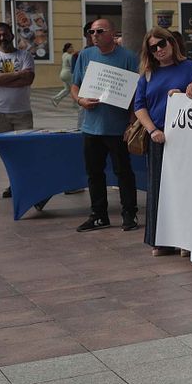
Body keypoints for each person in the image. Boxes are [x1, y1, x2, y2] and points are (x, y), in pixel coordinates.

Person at [70, 18, 141, 232]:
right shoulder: (85, 56)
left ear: (112, 33)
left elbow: (136, 92)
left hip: (117, 127)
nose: (95, 35)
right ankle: (99, 215)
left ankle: (129, 213)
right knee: (94, 173)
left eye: (100, 31)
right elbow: (75, 85)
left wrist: (131, 123)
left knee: (123, 172)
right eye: (92, 32)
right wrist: (81, 101)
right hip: (91, 127)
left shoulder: (128, 57)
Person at [132, 27, 192, 257]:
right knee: (158, 188)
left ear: (171, 42)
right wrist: (152, 130)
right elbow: (139, 106)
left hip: (186, 137)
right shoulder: (148, 74)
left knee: (185, 187)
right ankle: (160, 240)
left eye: (162, 44)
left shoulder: (190, 67)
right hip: (159, 137)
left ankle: (185, 239)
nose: (159, 50)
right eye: (153, 48)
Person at [0, 21, 36, 200]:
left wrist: (1, 78)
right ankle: (13, 183)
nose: (2, 38)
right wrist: (18, 74)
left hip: (22, 111)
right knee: (7, 151)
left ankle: (25, 182)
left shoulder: (25, 55)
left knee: (24, 150)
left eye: (5, 34)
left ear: (12, 35)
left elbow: (28, 80)